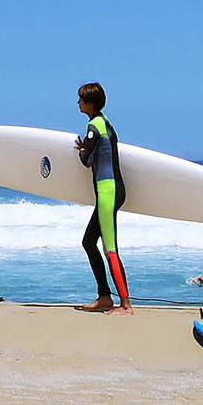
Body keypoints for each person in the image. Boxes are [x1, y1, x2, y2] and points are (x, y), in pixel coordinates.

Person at [73, 82, 131, 314]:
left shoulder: (94, 126)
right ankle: (105, 296)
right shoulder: (105, 122)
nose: (77, 103)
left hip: (108, 192)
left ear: (89, 103)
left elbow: (87, 161)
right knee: (89, 242)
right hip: (111, 190)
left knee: (111, 249)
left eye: (80, 99)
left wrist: (82, 151)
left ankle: (125, 305)